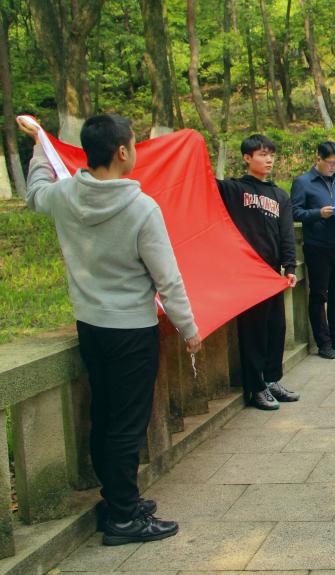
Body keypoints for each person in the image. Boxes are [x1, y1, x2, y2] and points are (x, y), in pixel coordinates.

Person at [18, 114, 200, 545]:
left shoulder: (65, 195)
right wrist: (188, 327)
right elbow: (167, 278)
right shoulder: (141, 208)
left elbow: (35, 194)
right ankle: (123, 518)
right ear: (122, 151)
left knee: (105, 416)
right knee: (127, 425)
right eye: (133, 144)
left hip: (91, 326)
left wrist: (40, 148)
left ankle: (118, 500)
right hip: (131, 331)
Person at [217, 135, 299, 410]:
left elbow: (286, 234)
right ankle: (255, 387)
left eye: (271, 155)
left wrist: (290, 266)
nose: (269, 160)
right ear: (247, 158)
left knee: (276, 328)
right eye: (262, 154)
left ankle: (272, 379)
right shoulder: (233, 189)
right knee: (253, 332)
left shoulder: (280, 195)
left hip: (272, 274)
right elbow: (202, 183)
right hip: (246, 274)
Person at [290, 141, 335, 360]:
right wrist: (318, 213)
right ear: (318, 159)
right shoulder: (303, 182)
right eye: (330, 162)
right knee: (319, 295)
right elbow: (294, 212)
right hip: (317, 246)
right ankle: (323, 342)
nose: (334, 167)